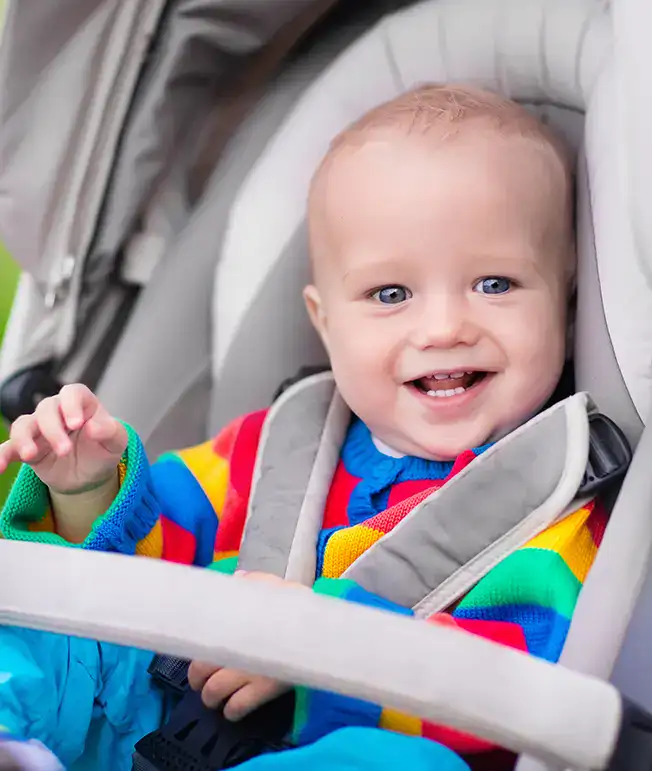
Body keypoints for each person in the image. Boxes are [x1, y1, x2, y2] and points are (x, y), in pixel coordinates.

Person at [0, 84, 602, 771]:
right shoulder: (271, 449)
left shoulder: (553, 510)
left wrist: (318, 641)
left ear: (566, 302)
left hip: (345, 744)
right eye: (391, 294)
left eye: (494, 284)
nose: (443, 329)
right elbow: (142, 564)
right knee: (46, 628)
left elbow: (512, 683)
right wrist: (85, 488)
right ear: (324, 321)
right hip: (148, 720)